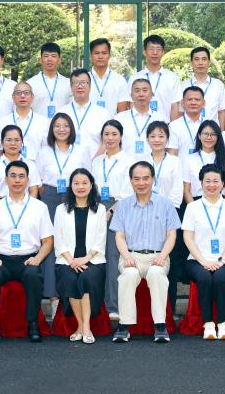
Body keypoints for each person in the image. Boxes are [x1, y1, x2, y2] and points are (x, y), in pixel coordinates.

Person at [0, 161, 54, 343]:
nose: (17, 180)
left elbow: (48, 241)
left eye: (21, 176)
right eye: (13, 176)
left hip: (28, 259)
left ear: (28, 180)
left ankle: (33, 323)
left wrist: (38, 258)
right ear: (6, 180)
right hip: (1, 260)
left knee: (33, 275)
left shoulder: (39, 207)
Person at [111, 161, 182, 344]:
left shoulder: (165, 204)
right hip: (131, 255)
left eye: (145, 178)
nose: (141, 183)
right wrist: (127, 256)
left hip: (158, 255)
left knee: (157, 274)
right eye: (137, 179)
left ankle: (160, 325)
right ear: (131, 181)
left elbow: (171, 235)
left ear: (153, 179)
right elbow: (119, 236)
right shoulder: (123, 205)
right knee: (128, 275)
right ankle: (124, 325)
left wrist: (162, 256)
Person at [182, 164, 225, 340]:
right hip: (197, 260)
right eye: (207, 181)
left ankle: (222, 323)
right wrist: (203, 261)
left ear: (223, 184)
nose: (212, 185)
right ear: (201, 183)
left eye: (216, 181)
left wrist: (221, 260)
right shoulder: (192, 207)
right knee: (205, 277)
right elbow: (188, 238)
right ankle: (208, 324)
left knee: (221, 278)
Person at [54, 168, 108, 344]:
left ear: (91, 185)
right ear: (70, 186)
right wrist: (71, 261)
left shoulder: (100, 209)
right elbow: (59, 239)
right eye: (76, 183)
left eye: (84, 183)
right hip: (66, 260)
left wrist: (85, 259)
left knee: (86, 278)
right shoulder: (61, 209)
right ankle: (80, 325)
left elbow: (101, 239)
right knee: (69, 278)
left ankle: (86, 327)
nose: (80, 186)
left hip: (93, 260)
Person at [91, 120, 133, 319]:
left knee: (114, 257)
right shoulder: (96, 161)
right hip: (96, 207)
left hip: (118, 208)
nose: (110, 138)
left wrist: (109, 212)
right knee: (95, 256)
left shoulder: (128, 160)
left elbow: (127, 193)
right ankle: (95, 306)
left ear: (121, 136)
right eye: (106, 134)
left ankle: (113, 306)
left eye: (114, 134)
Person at [37, 114, 93, 219]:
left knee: (72, 225)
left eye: (66, 126)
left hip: (75, 193)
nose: (61, 129)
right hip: (50, 195)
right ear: (52, 129)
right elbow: (38, 176)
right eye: (57, 126)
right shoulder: (44, 152)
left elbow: (88, 174)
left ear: (71, 129)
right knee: (50, 226)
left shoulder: (82, 150)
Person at [56, 69, 111, 149]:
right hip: (67, 157)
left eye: (83, 83)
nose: (80, 86)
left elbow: (108, 142)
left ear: (90, 86)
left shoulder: (103, 114)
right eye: (76, 83)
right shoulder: (61, 113)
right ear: (71, 87)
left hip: (96, 157)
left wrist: (97, 157)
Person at [0, 125, 41, 202]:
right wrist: (2, 207)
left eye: (17, 140)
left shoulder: (30, 164)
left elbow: (33, 190)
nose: (13, 143)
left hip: (24, 204)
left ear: (22, 142)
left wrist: (27, 206)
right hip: (0, 203)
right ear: (2, 142)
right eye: (9, 140)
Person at [172, 46, 225, 124]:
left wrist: (221, 131)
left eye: (204, 59)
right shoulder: (182, 86)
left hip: (212, 130)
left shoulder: (218, 85)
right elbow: (180, 112)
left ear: (209, 62)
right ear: (191, 63)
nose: (200, 63)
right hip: (189, 129)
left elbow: (222, 111)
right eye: (197, 59)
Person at [128, 35, 179, 116]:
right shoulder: (135, 78)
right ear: (144, 52)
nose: (155, 53)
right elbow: (132, 104)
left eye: (158, 49)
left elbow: (175, 106)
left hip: (165, 123)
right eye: (151, 49)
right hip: (141, 123)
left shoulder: (172, 78)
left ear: (163, 52)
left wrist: (172, 124)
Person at [115, 78, 168, 157]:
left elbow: (166, 147)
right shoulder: (119, 119)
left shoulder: (161, 119)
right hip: (125, 163)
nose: (141, 94)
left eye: (145, 90)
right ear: (131, 95)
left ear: (151, 94)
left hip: (152, 163)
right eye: (137, 91)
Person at [139, 121, 185, 210]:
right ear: (147, 139)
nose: (157, 140)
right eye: (153, 136)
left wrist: (167, 209)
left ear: (167, 139)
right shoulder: (141, 161)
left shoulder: (175, 161)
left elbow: (177, 189)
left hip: (168, 210)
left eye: (161, 136)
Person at [0, 82, 49, 162]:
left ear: (32, 97)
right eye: (18, 93)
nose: (22, 96)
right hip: (10, 167)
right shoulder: (3, 122)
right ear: (13, 97)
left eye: (26, 93)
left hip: (36, 167)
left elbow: (47, 149)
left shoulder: (43, 122)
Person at [26, 43, 73, 119]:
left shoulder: (68, 83)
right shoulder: (30, 84)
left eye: (53, 56)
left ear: (59, 60)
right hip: (38, 125)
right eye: (46, 56)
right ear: (40, 60)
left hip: (62, 125)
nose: (49, 59)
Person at [88, 38, 130, 113]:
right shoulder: (84, 80)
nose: (100, 56)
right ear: (90, 56)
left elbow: (122, 114)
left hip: (112, 120)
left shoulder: (119, 80)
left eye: (104, 53)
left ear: (109, 55)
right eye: (96, 53)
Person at [169, 86, 207, 155]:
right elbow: (172, 154)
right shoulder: (174, 126)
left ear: (203, 103)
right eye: (189, 99)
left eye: (197, 100)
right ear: (182, 103)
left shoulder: (209, 126)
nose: (193, 102)